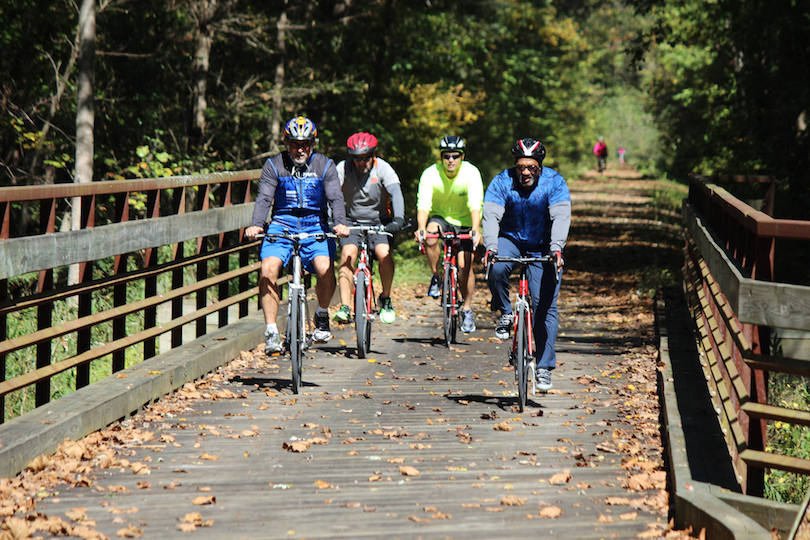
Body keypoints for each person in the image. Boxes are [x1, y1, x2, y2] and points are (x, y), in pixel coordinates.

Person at [245, 115, 350, 355]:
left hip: (316, 224)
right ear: (286, 143)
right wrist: (256, 224)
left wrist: (340, 224)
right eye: (294, 143)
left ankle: (322, 314)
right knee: (268, 269)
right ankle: (271, 331)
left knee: (325, 268)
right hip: (282, 222)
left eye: (304, 144)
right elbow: (264, 198)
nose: (299, 149)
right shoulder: (274, 165)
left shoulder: (325, 165)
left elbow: (335, 197)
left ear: (313, 143)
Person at [482, 138, 571, 391]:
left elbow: (561, 217)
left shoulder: (555, 183)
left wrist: (556, 249)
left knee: (545, 307)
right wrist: (490, 247)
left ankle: (544, 367)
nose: (525, 172)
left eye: (531, 167)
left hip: (543, 244)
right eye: (521, 166)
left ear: (539, 167)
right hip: (510, 239)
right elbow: (491, 216)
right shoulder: (502, 181)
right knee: (497, 266)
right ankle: (506, 312)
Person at [414, 135, 483, 334]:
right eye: (446, 156)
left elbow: (475, 204)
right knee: (430, 233)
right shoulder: (430, 173)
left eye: (455, 156)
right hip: (441, 218)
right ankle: (436, 276)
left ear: (462, 157)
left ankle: (467, 309)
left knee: (464, 266)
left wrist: (476, 230)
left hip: (465, 222)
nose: (451, 160)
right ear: (441, 157)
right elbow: (423, 204)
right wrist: (420, 228)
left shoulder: (471, 173)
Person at [334, 132, 405, 324]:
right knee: (348, 254)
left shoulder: (383, 168)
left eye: (365, 158)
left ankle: (386, 298)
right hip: (350, 221)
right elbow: (331, 193)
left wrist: (398, 219)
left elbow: (396, 193)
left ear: (373, 155)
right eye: (356, 158)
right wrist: (332, 219)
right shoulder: (342, 168)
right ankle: (345, 306)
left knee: (384, 253)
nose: (361, 162)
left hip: (378, 221)